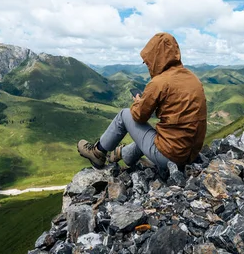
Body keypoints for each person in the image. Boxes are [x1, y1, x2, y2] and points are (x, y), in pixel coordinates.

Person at [77, 32, 207, 171]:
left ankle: (97, 152)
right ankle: (125, 154)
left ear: (156, 57)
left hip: (169, 158)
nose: (147, 65)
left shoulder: (159, 82)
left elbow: (139, 116)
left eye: (148, 61)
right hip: (190, 155)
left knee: (124, 115)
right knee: (159, 132)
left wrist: (138, 102)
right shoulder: (192, 78)